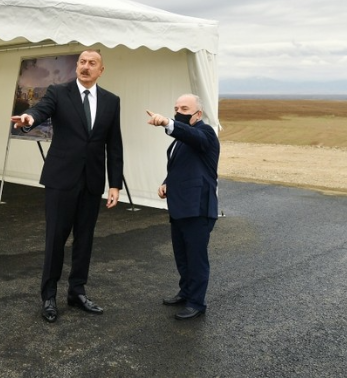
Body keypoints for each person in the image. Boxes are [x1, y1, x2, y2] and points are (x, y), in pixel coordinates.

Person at [11, 50, 124, 323]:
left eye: (92, 63)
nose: (85, 67)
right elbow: (41, 110)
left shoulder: (111, 101)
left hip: (92, 182)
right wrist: (29, 119)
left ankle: (77, 292)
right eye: (82, 62)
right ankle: (49, 296)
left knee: (84, 240)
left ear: (101, 70)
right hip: (61, 180)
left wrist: (115, 184)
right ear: (76, 67)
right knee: (56, 240)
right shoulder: (58, 92)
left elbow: (114, 144)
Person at [146, 94, 220, 319]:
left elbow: (193, 136)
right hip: (180, 207)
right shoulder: (181, 139)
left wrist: (168, 122)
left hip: (198, 208)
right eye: (176, 108)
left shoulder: (205, 133)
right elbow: (183, 168)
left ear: (198, 114)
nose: (179, 111)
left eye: (184, 108)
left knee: (196, 258)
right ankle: (186, 292)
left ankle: (196, 303)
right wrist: (166, 183)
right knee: (182, 255)